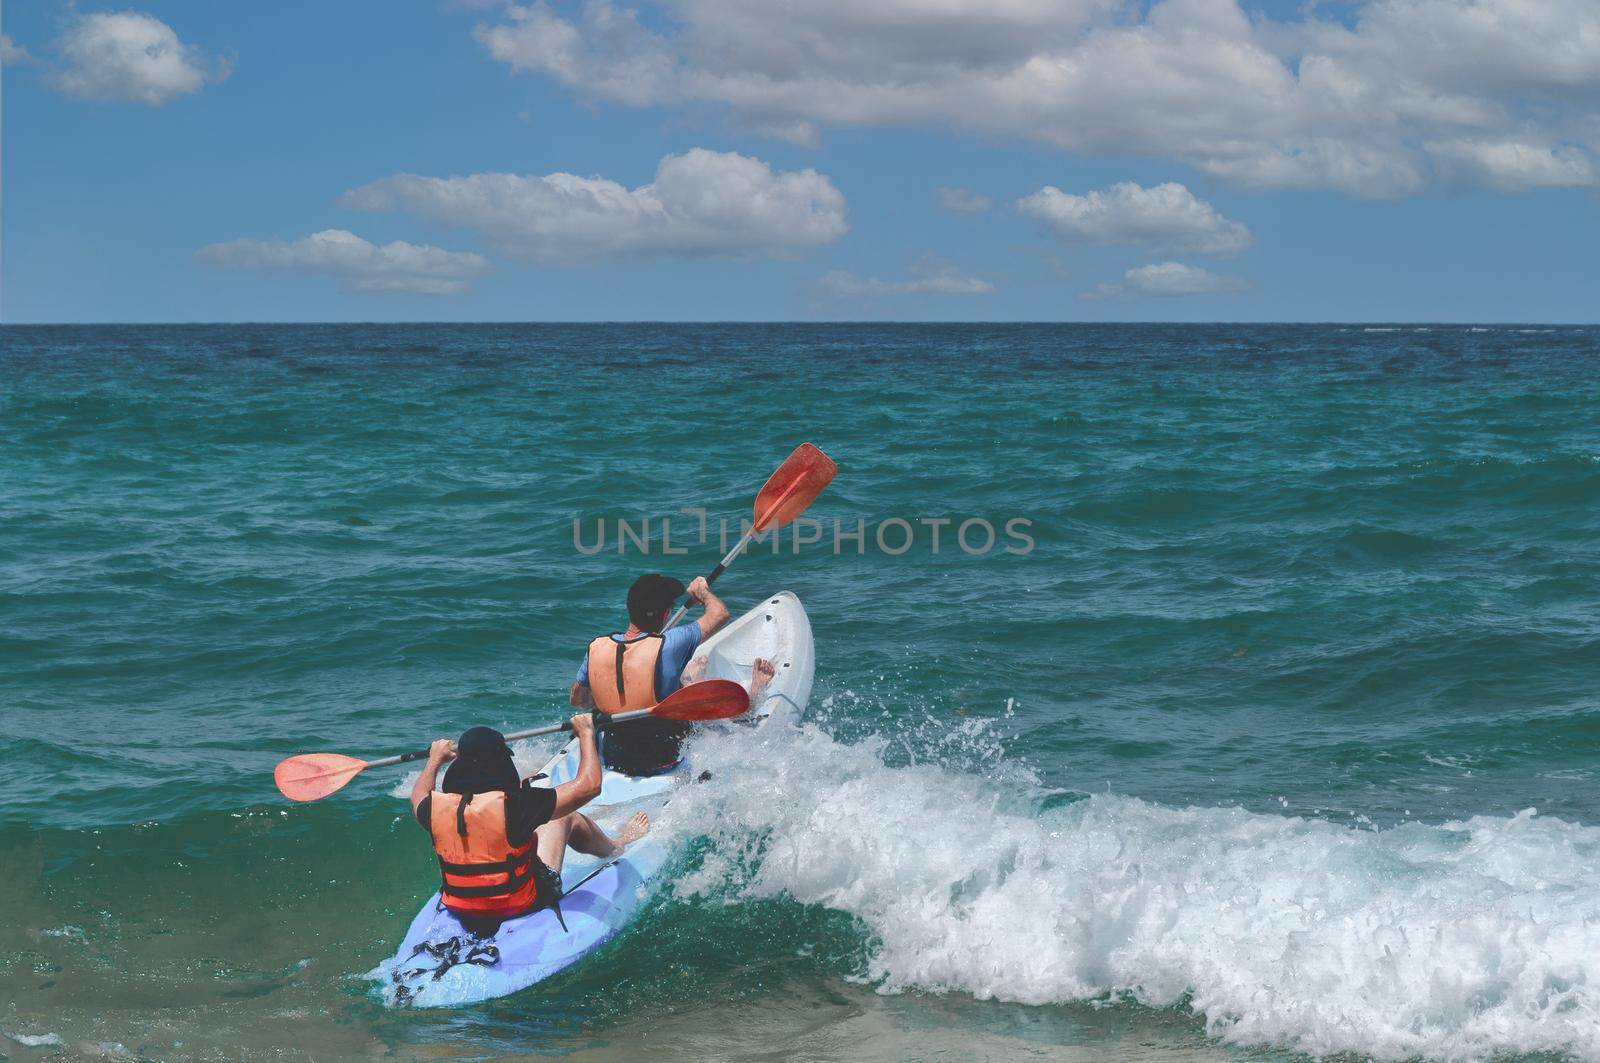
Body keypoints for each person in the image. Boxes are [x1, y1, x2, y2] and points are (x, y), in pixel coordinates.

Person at [409, 714, 647, 937]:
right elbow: (589, 786)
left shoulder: (434, 809)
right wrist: (585, 733)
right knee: (564, 817)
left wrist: (434, 760)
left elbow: (419, 793)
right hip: (521, 905)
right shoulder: (518, 806)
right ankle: (617, 845)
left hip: (464, 909)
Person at [570, 573, 773, 776]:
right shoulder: (671, 643)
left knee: (667, 683)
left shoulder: (597, 647)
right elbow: (719, 613)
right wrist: (703, 593)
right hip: (666, 755)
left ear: (630, 609)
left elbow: (578, 700)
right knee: (719, 715)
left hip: (616, 756)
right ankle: (750, 696)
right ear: (666, 615)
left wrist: (616, 696)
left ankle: (687, 678)